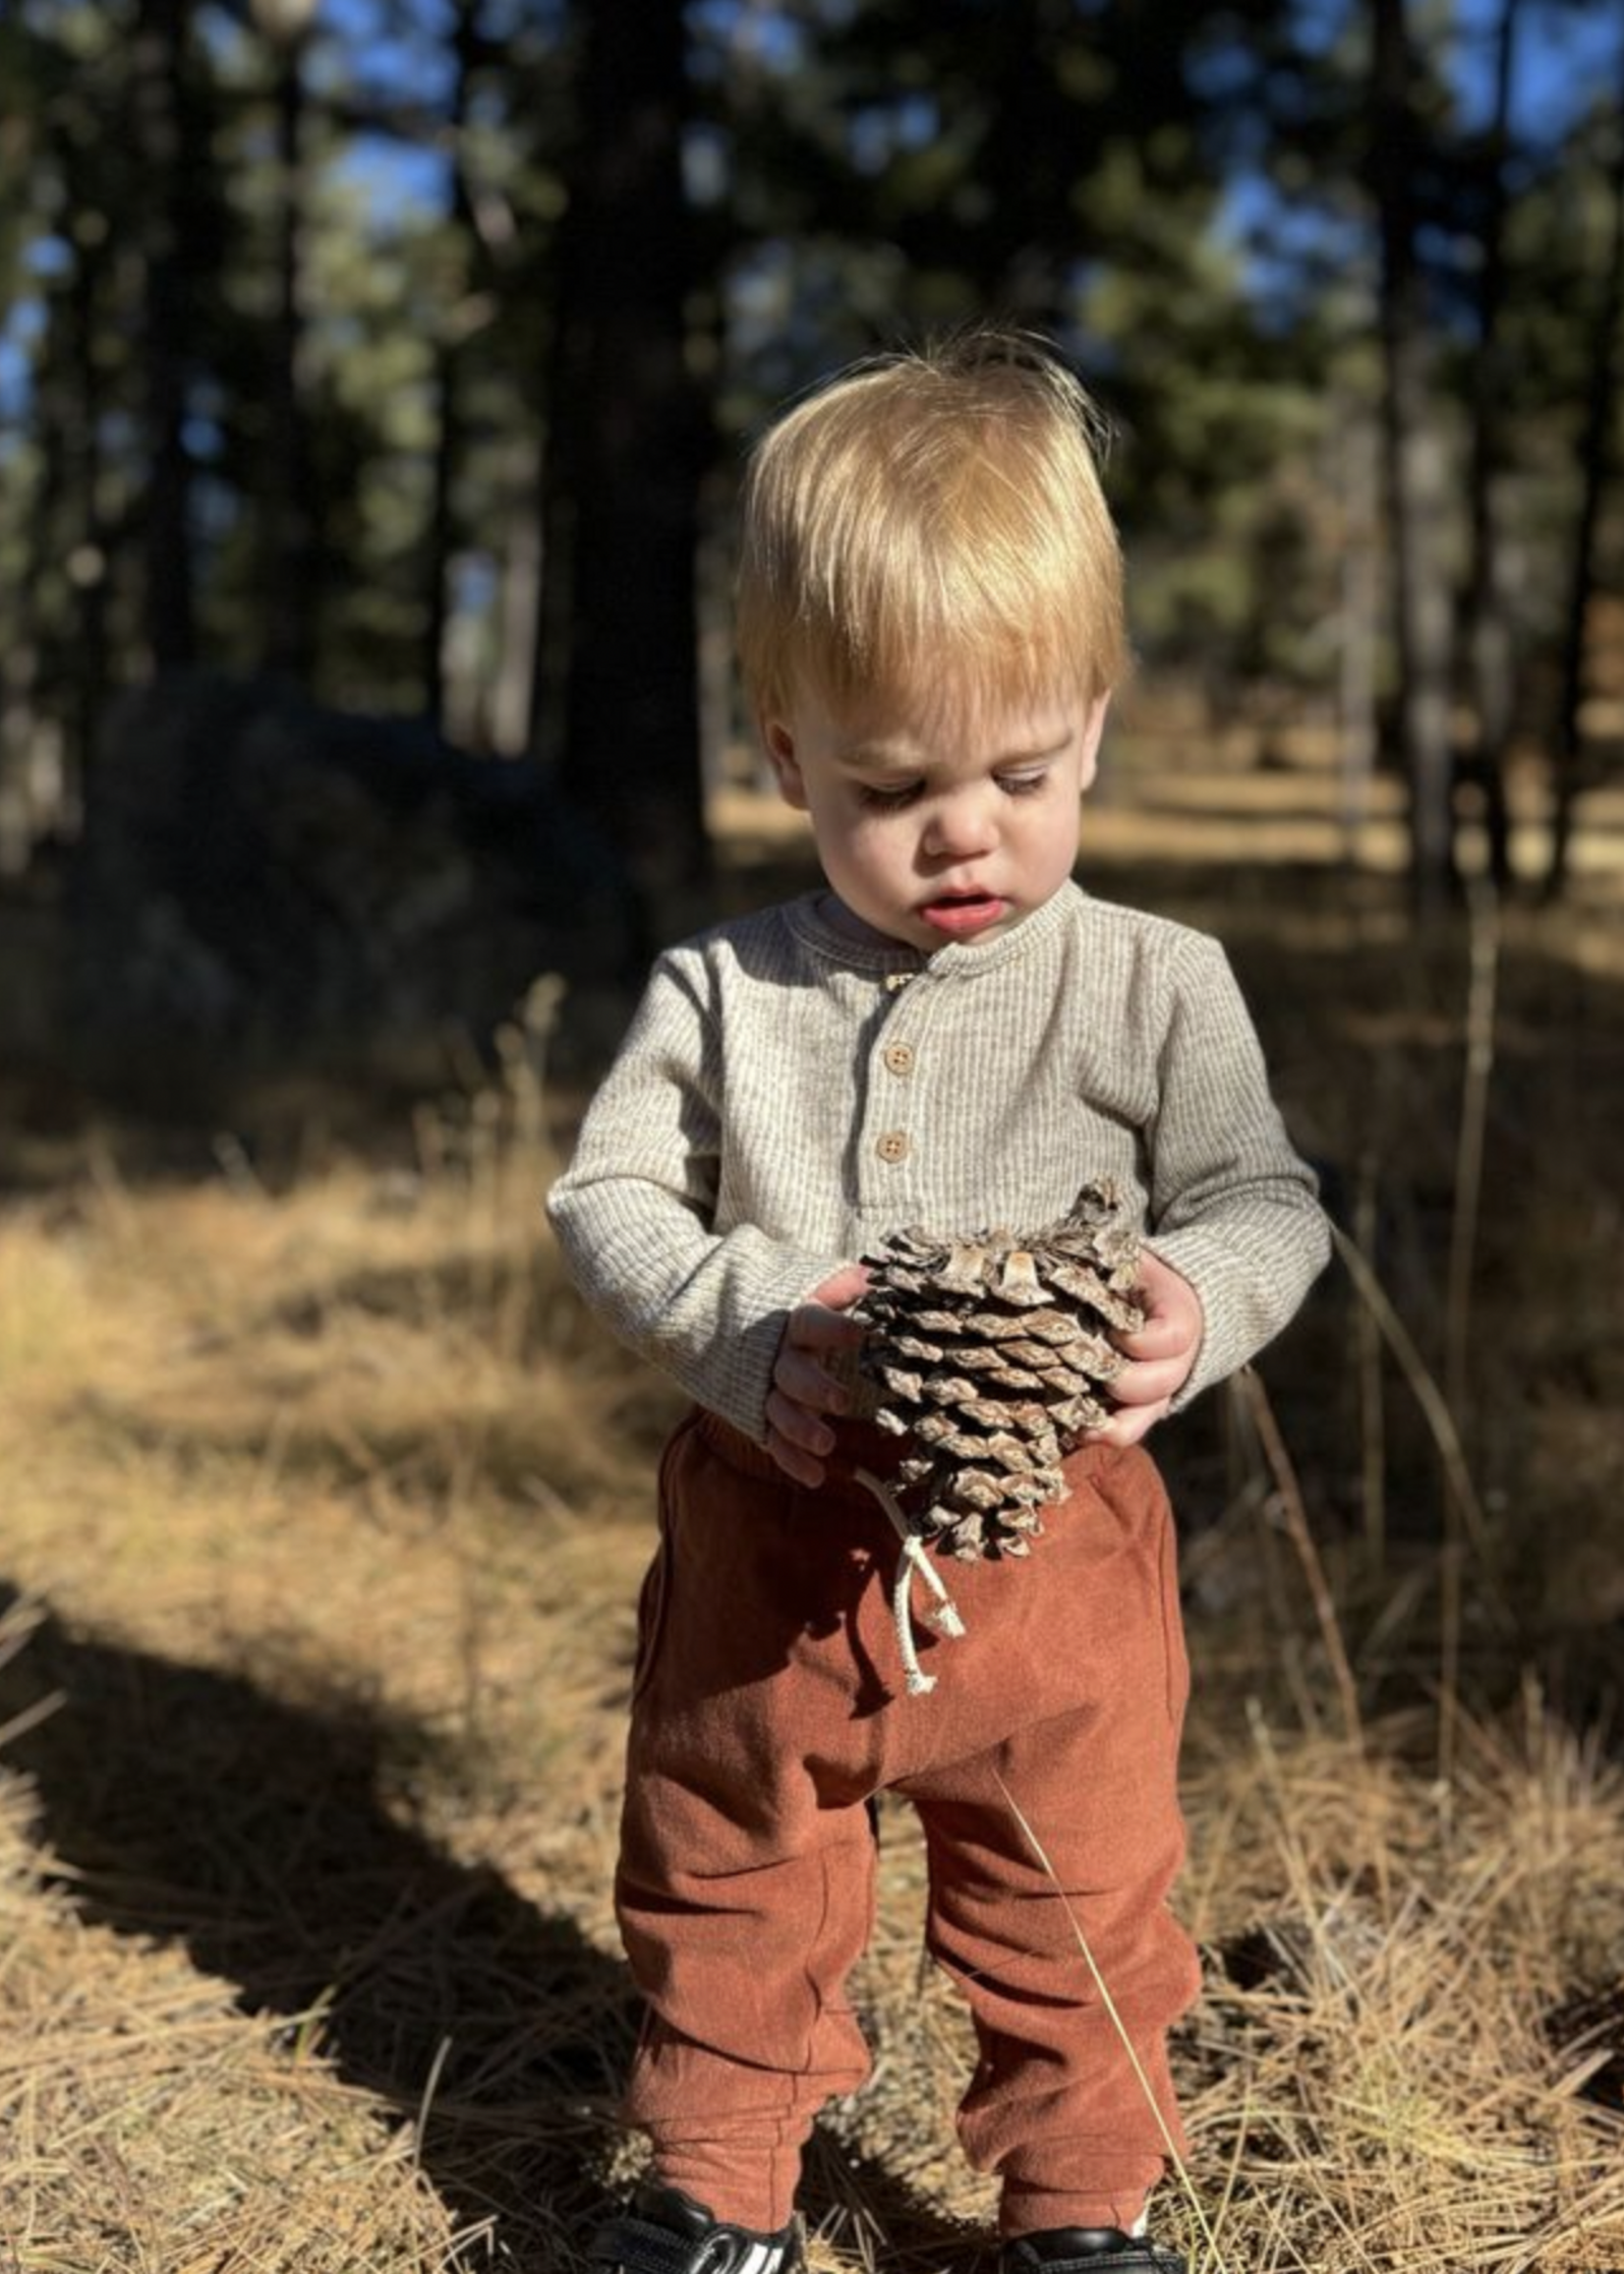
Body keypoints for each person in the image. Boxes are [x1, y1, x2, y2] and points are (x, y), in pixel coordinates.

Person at [547, 330, 1329, 2274]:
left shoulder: (1156, 980)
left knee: (1080, 1900)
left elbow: (1263, 1196)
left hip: (1054, 1555)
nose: (962, 828)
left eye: (1022, 770)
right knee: (728, 1874)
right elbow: (608, 1190)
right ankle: (718, 2192)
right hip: (770, 1541)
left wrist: (1191, 1299)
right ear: (787, 751)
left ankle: (1082, 2209)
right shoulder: (726, 988)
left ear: (1094, 724)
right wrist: (742, 1319)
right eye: (892, 782)